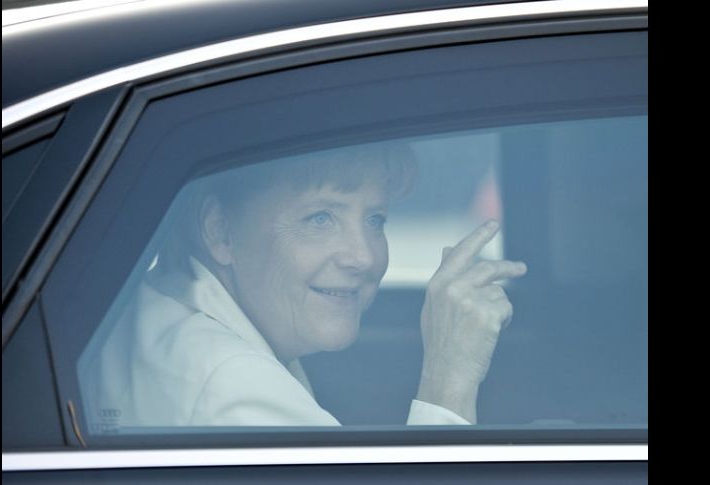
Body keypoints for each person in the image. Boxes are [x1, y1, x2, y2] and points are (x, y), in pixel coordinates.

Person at [79, 143, 527, 431]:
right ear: (219, 229)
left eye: (375, 219)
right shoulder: (237, 389)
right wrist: (447, 382)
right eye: (320, 218)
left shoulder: (151, 313)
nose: (365, 257)